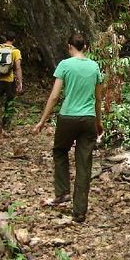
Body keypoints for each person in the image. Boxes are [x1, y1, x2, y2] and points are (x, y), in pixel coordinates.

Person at [33, 34, 103, 223]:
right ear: (86, 47)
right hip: (88, 119)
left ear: (69, 46)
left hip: (67, 117)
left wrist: (42, 120)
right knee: (84, 163)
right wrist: (99, 122)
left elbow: (55, 96)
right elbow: (98, 98)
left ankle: (62, 191)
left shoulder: (64, 65)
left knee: (60, 151)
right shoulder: (94, 66)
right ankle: (79, 211)